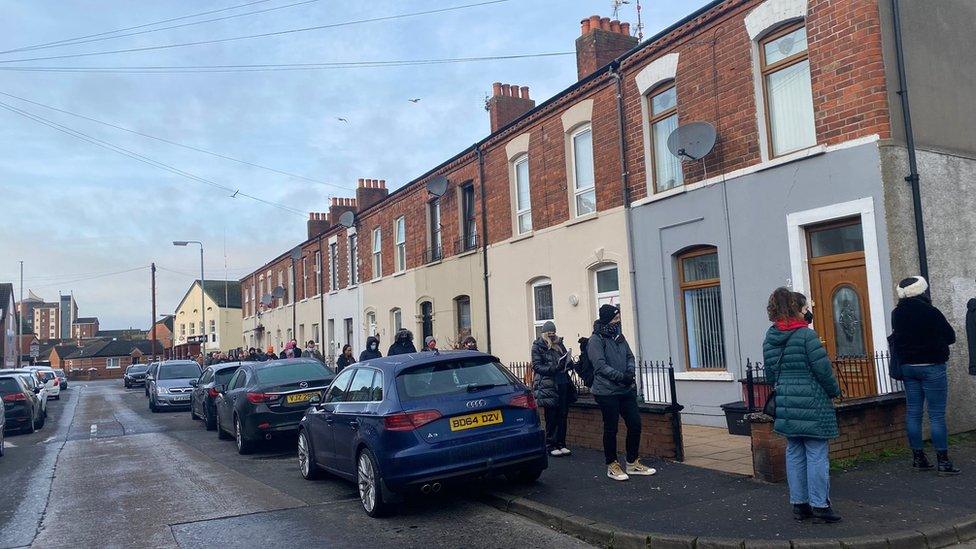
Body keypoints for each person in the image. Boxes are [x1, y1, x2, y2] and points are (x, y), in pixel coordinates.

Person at [763, 287, 842, 523]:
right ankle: (820, 505)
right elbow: (823, 370)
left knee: (794, 451)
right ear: (796, 309)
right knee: (817, 452)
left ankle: (800, 505)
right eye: (804, 307)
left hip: (786, 400)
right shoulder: (807, 336)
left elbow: (769, 374)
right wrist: (834, 391)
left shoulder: (770, 337)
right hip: (812, 400)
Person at [889, 276, 959, 475]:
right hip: (932, 366)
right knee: (936, 415)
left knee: (913, 412)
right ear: (922, 291)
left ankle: (918, 458)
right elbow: (950, 336)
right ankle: (943, 462)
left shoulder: (897, 313)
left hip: (909, 368)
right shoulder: (931, 312)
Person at [588, 304, 655, 481]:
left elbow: (630, 357)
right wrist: (621, 377)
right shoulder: (596, 339)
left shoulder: (619, 337)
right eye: (616, 318)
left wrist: (630, 373)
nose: (619, 321)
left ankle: (632, 463)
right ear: (608, 319)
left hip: (625, 389)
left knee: (635, 424)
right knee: (611, 428)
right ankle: (612, 465)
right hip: (606, 391)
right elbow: (600, 366)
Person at [531, 321, 575, 457]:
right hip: (548, 385)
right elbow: (537, 366)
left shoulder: (559, 344)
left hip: (562, 383)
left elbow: (563, 361)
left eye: (553, 332)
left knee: (563, 415)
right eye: (549, 333)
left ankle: (561, 443)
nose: (552, 335)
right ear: (544, 333)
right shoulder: (538, 346)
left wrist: (569, 363)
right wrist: (553, 368)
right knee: (552, 416)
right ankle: (550, 444)